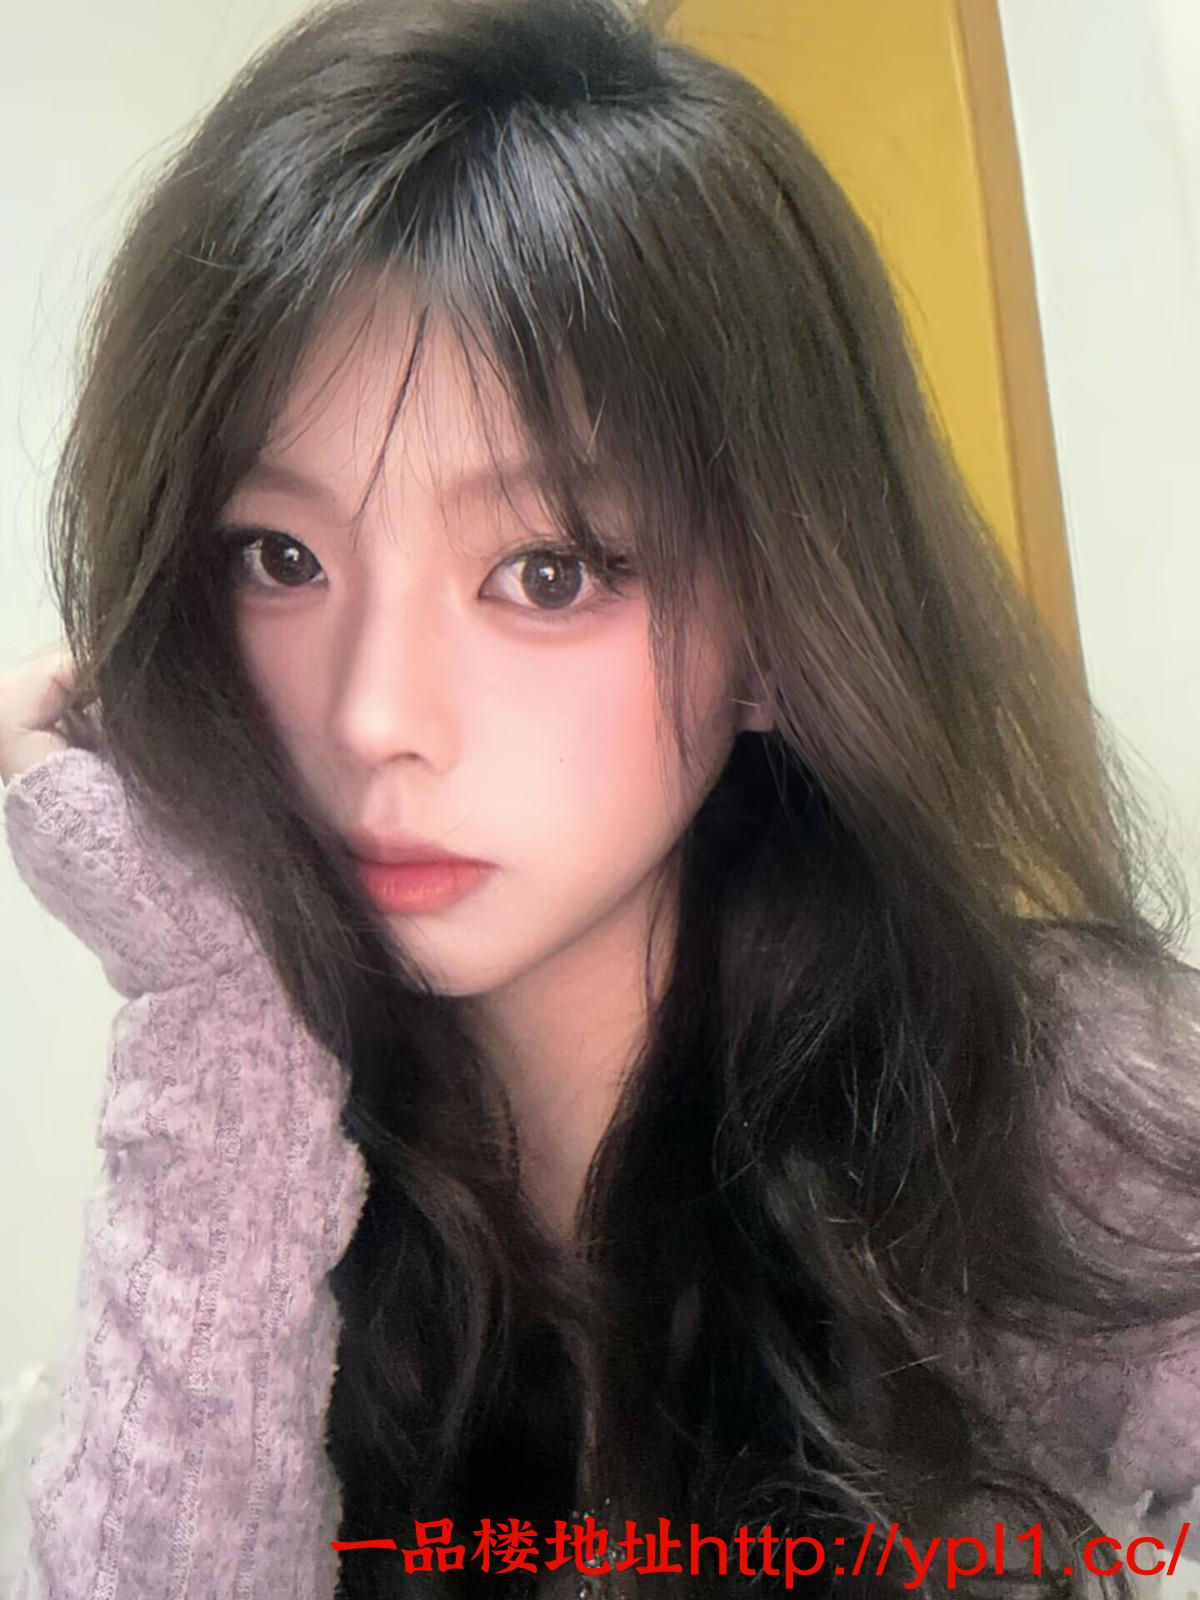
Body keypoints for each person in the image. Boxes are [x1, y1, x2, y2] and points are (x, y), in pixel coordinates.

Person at [2, 0, 1199, 1596]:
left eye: (547, 571)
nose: (371, 718)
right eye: (279, 558)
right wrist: (212, 1000)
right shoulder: (249, 1151)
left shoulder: (1057, 1104)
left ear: (775, 627)